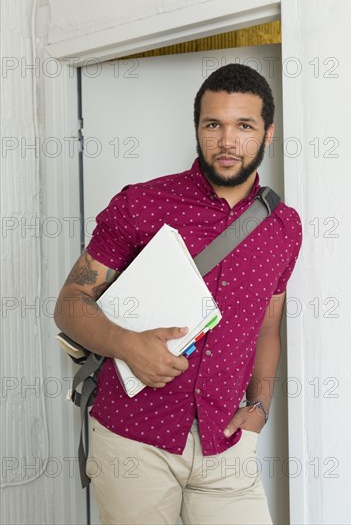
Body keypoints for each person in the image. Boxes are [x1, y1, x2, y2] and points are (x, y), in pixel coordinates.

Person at [55, 63, 302, 524]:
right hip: (133, 440)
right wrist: (128, 345)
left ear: (267, 134)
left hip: (226, 445)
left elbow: (268, 327)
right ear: (197, 130)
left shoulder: (284, 228)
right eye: (214, 124)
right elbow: (69, 305)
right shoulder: (141, 204)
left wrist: (261, 406)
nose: (228, 141)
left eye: (244, 126)